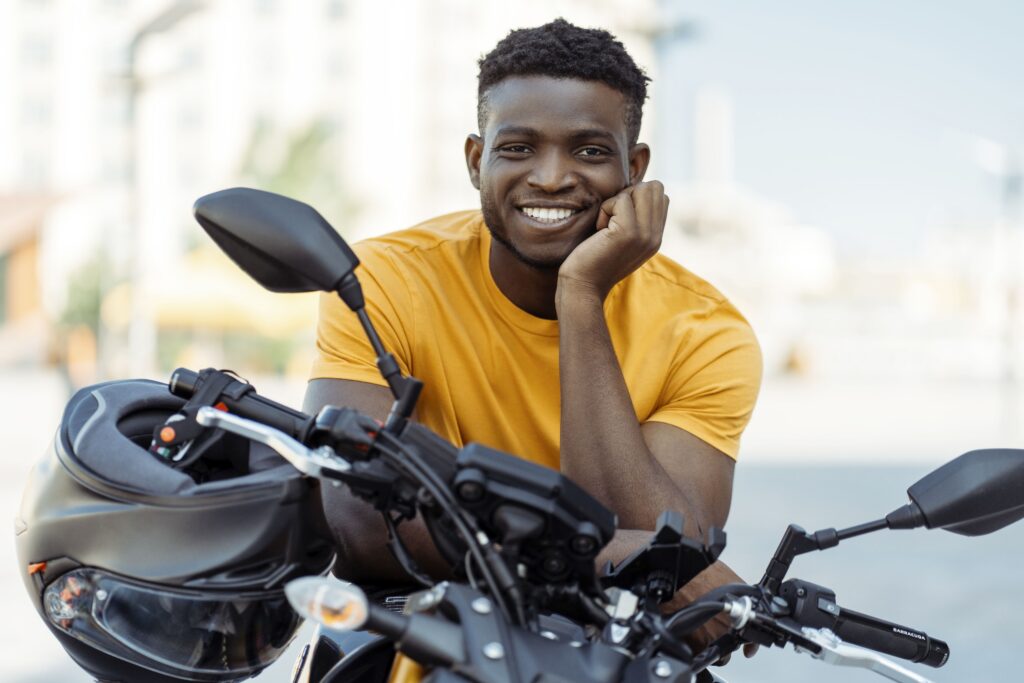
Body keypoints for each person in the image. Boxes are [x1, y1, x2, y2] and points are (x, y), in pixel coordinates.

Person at [304, 18, 762, 647]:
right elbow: (357, 522)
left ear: (634, 168)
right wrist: (601, 560)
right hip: (414, 638)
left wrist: (581, 296)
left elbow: (668, 553)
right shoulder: (382, 279)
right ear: (476, 161)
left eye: (589, 151)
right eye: (518, 148)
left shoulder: (707, 333)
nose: (550, 177)